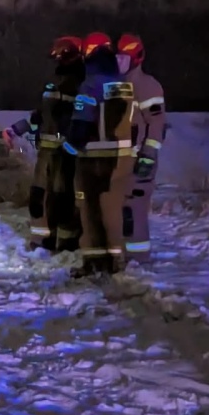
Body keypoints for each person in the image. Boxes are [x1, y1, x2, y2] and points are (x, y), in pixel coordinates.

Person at [64, 31, 137, 278]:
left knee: (88, 210)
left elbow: (81, 123)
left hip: (93, 160)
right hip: (121, 159)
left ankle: (93, 262)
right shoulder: (125, 84)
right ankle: (116, 261)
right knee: (113, 210)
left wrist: (69, 149)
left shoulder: (90, 83)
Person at [3, 35, 86, 251]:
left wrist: (71, 146)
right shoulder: (53, 83)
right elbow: (40, 116)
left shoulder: (81, 84)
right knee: (39, 199)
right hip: (47, 154)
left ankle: (67, 246)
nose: (58, 60)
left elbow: (83, 120)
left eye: (61, 56)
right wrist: (15, 130)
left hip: (66, 155)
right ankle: (43, 243)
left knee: (64, 201)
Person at [118, 33, 166, 260]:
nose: (119, 63)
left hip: (140, 160)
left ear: (135, 59)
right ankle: (126, 257)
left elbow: (156, 123)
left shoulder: (147, 86)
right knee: (121, 211)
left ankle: (138, 260)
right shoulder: (118, 86)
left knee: (134, 212)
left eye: (124, 58)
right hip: (124, 161)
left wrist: (148, 155)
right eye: (117, 58)